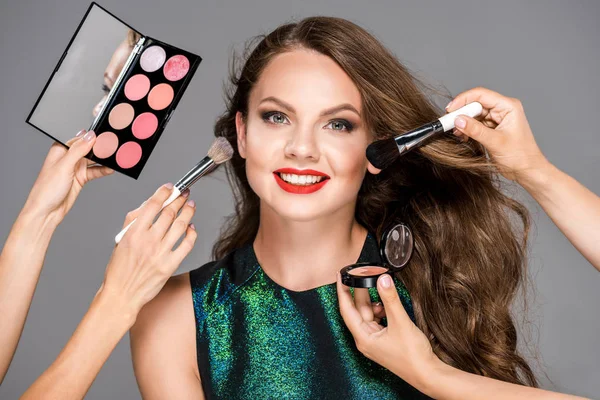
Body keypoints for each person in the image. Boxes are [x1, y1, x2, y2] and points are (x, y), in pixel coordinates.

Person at [127, 16, 596, 399]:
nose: (303, 149)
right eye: (277, 117)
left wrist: (536, 171)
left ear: (376, 149)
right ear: (242, 134)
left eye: (337, 125)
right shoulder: (175, 316)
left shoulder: (431, 285)